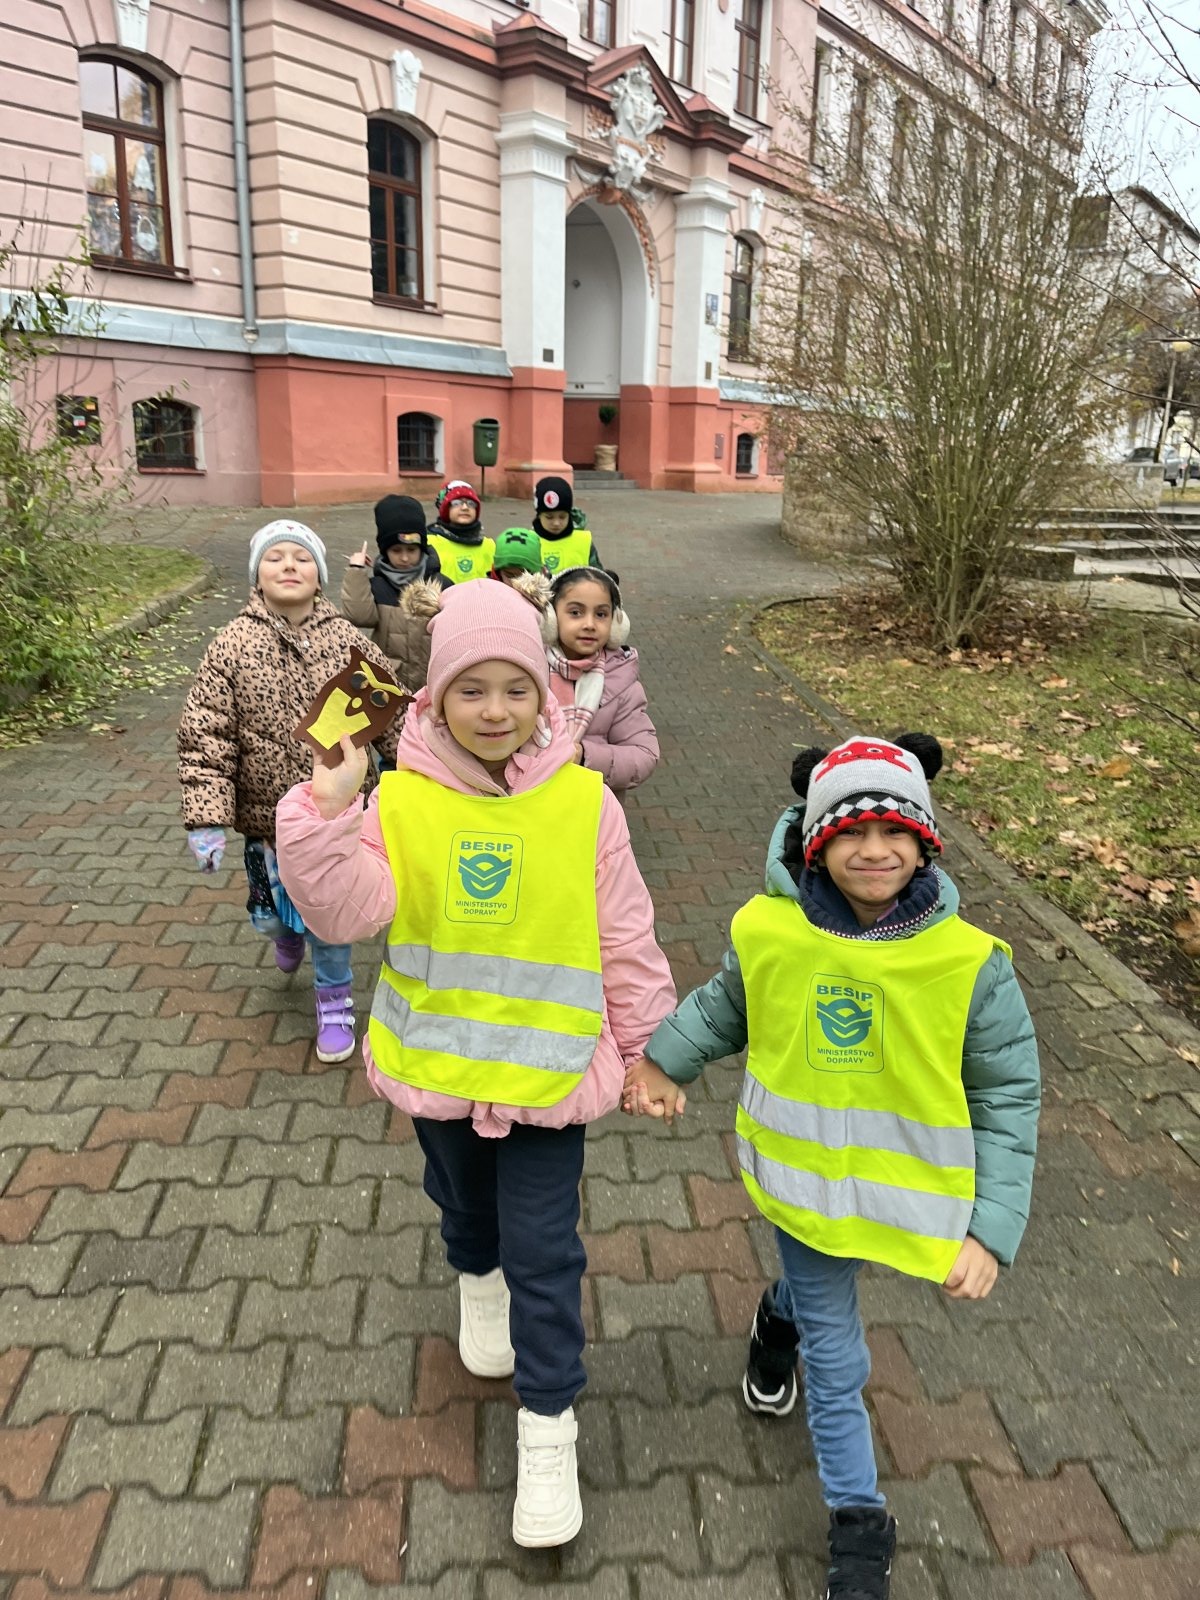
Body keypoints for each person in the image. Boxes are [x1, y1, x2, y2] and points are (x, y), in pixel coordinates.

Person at [273, 580, 676, 1550]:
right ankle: (475, 1276)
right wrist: (326, 808)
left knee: (547, 1251)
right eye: (471, 689)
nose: (496, 710)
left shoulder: (585, 803)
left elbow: (625, 935)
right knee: (464, 1207)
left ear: (546, 692)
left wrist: (647, 1049)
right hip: (441, 1070)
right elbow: (345, 913)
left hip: (548, 1078)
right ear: (434, 696)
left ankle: (548, 1428)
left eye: (517, 688)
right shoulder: (400, 800)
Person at [623, 733, 1040, 1600]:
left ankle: (773, 1324)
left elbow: (1008, 1095)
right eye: (849, 832)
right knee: (839, 1355)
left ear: (926, 842)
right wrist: (664, 1062)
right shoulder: (773, 933)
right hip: (805, 1188)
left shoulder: (969, 964)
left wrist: (990, 1229)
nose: (874, 850)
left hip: (909, 1196)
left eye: (896, 831)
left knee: (814, 1302)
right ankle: (859, 1519)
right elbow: (726, 1006)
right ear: (815, 843)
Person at [178, 519, 406, 1064]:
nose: (289, 565)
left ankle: (334, 1001)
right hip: (268, 827)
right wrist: (207, 816)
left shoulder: (348, 640)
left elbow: (389, 711)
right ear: (256, 575)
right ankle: (284, 932)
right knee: (274, 915)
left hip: (336, 818)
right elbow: (206, 732)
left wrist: (412, 771)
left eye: (302, 558)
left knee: (329, 917)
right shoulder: (231, 645)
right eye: (275, 557)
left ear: (320, 576)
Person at [543, 567, 658, 800]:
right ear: (551, 618)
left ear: (616, 625)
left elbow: (644, 755)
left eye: (601, 614)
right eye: (576, 612)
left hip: (594, 810)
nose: (590, 624)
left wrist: (585, 756)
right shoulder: (528, 671)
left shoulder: (622, 682)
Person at [341, 494, 450, 691]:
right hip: (390, 687)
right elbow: (358, 616)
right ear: (385, 551)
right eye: (397, 550)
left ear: (422, 548)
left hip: (432, 686)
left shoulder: (440, 584)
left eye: (411, 549)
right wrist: (356, 571)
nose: (405, 558)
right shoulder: (378, 586)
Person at [532, 476, 604, 574]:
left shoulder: (583, 541)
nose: (556, 523)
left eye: (562, 517)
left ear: (569, 514)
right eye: (549, 517)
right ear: (539, 515)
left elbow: (598, 577)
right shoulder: (529, 542)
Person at [427, 479, 494, 583]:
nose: (465, 507)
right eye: (456, 503)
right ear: (446, 509)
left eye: (471, 503)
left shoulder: (489, 545)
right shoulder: (430, 543)